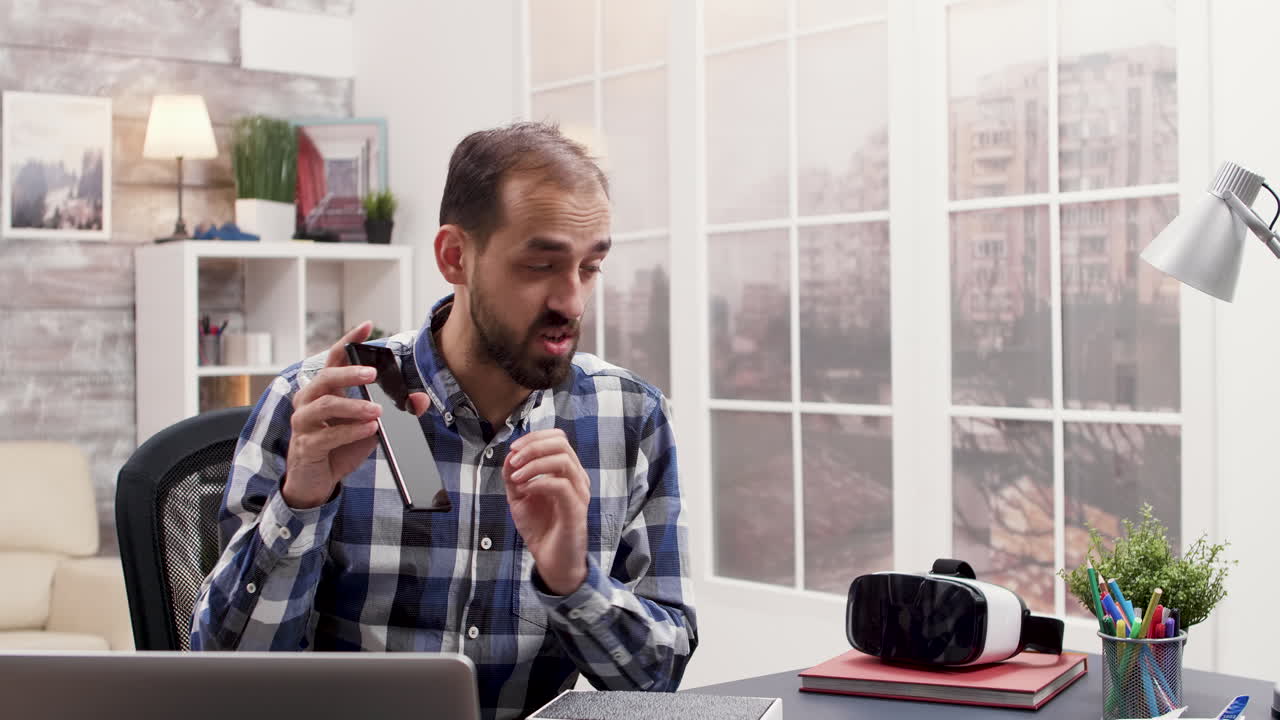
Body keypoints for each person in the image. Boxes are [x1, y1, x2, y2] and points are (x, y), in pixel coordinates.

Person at [191, 122, 697, 719]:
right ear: (455, 257)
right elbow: (225, 676)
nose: (572, 302)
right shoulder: (314, 406)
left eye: (590, 268)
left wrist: (573, 580)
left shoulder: (631, 418)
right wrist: (301, 500)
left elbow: (658, 684)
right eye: (540, 265)